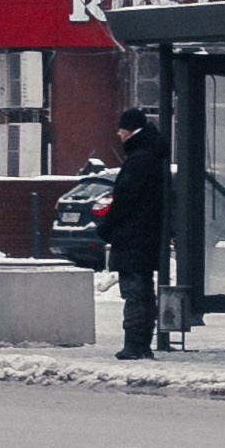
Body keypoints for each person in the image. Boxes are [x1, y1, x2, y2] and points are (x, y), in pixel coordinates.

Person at [97, 105, 167, 362]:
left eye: (122, 129)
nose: (118, 134)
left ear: (130, 130)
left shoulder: (138, 159)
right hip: (146, 235)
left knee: (134, 293)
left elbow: (125, 200)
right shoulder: (152, 155)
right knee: (144, 292)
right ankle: (143, 344)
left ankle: (133, 345)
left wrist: (107, 227)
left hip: (132, 237)